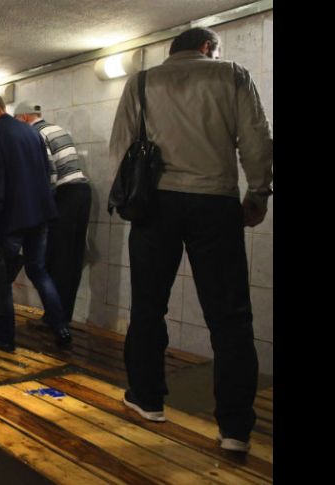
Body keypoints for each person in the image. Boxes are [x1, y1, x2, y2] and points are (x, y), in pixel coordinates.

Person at [109, 27, 273, 452]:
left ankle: (146, 400)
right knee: (230, 318)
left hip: (155, 204)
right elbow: (256, 140)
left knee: (147, 307)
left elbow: (121, 147)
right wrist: (257, 194)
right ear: (207, 47)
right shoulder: (232, 74)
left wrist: (127, 202)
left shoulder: (141, 81)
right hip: (214, 203)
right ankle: (234, 429)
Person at [0, 93, 71, 352]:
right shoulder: (32, 133)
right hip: (40, 214)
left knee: (1, 277)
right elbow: (44, 171)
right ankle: (61, 326)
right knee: (38, 271)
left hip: (11, 218)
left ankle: (5, 337)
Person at [14, 102, 92, 324]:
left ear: (24, 118)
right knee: (71, 261)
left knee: (54, 260)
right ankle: (61, 317)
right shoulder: (58, 129)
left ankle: (55, 319)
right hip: (82, 193)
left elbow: (50, 172)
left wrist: (40, 206)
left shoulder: (34, 133)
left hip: (64, 195)